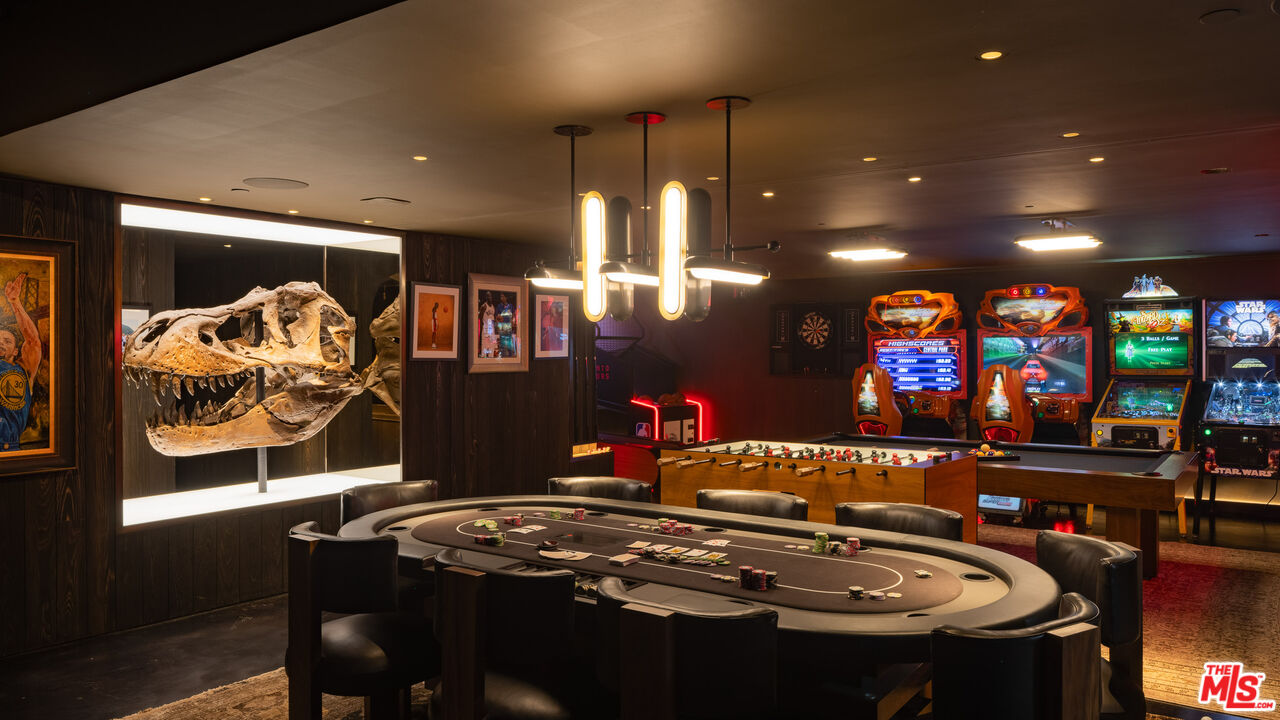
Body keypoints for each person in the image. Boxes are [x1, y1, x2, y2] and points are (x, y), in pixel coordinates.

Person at [0, 273, 42, 452]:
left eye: (7, 341)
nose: (1, 342)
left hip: (9, 448)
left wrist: (15, 302)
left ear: (16, 351)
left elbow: (33, 340)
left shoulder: (23, 369)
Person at [495, 293, 516, 357]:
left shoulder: (511, 306)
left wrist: (513, 323)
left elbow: (514, 316)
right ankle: (503, 356)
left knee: (509, 342)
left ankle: (510, 356)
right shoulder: (499, 306)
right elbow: (496, 317)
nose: (501, 298)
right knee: (502, 343)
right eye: (500, 297)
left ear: (506, 297)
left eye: (502, 296)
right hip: (502, 327)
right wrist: (498, 325)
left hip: (509, 327)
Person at [479, 292, 497, 358]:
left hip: (491, 329)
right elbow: (480, 318)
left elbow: (492, 318)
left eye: (490, 296)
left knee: (491, 348)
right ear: (486, 297)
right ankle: (483, 361)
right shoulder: (484, 306)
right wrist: (482, 327)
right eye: (488, 296)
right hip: (486, 329)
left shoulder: (493, 307)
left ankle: (491, 360)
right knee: (484, 348)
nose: (489, 297)